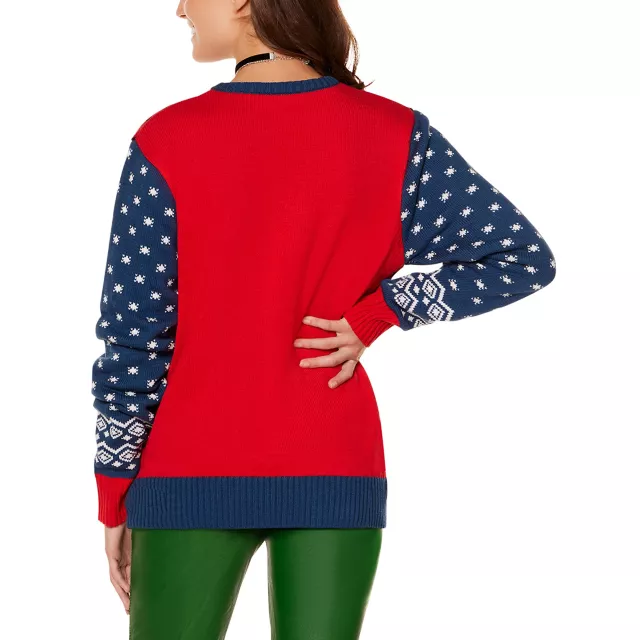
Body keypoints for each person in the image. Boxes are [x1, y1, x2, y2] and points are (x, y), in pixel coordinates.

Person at [90, 0, 557, 637]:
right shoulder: (392, 134)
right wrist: (379, 312)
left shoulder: (167, 140)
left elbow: (133, 337)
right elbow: (521, 258)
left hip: (188, 465)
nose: (179, 9)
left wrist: (114, 489)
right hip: (333, 456)